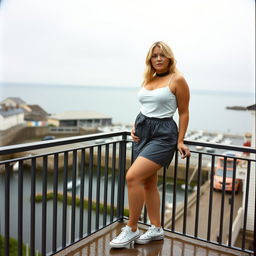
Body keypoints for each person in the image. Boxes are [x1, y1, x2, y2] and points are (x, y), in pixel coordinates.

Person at [109, 41, 190, 248]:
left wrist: (180, 140)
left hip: (163, 136)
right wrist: (135, 126)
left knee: (132, 176)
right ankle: (156, 228)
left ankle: (132, 228)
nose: (159, 59)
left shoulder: (177, 79)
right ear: (150, 59)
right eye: (154, 56)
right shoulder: (148, 79)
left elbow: (183, 112)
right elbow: (147, 107)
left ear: (169, 58)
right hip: (142, 133)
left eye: (162, 55)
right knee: (148, 182)